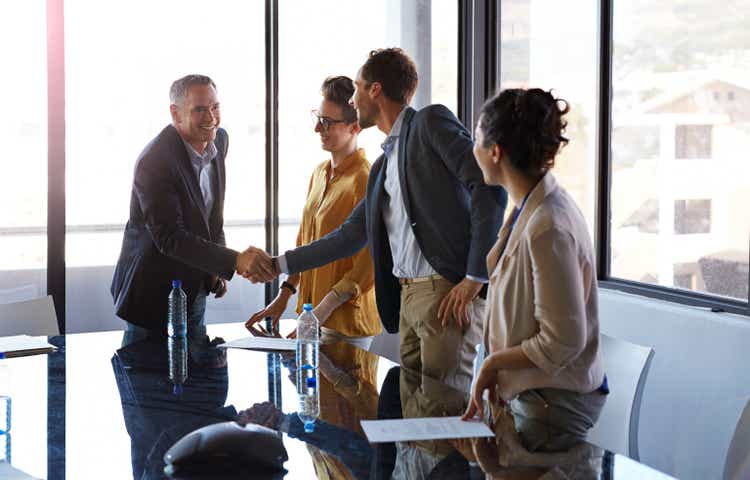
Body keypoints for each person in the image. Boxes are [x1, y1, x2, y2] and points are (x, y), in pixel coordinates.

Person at [264, 48, 507, 394]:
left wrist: (475, 276)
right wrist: (278, 265)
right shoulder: (382, 166)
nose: (354, 97)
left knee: (441, 419)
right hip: (407, 299)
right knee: (412, 424)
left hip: (445, 292)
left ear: (375, 90)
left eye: (359, 87)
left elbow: (488, 182)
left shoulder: (429, 122)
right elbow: (348, 236)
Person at [462, 88, 607, 456]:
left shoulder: (548, 225)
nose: (473, 148)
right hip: (532, 398)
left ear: (495, 151)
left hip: (549, 406)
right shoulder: (530, 208)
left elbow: (562, 340)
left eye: (477, 138)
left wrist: (494, 363)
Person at [111, 74, 270, 346]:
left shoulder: (219, 141)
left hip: (193, 288)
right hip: (151, 296)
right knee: (149, 385)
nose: (211, 117)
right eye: (199, 109)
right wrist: (233, 260)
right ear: (175, 113)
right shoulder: (155, 161)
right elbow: (170, 236)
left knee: (200, 381)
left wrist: (216, 269)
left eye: (215, 107)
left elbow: (212, 216)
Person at [245, 76, 380, 349]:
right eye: (318, 118)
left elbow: (368, 264)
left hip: (344, 324)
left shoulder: (365, 179)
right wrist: (284, 296)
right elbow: (305, 243)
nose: (318, 127)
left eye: (328, 122)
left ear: (355, 127)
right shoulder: (319, 173)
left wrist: (321, 312)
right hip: (311, 317)